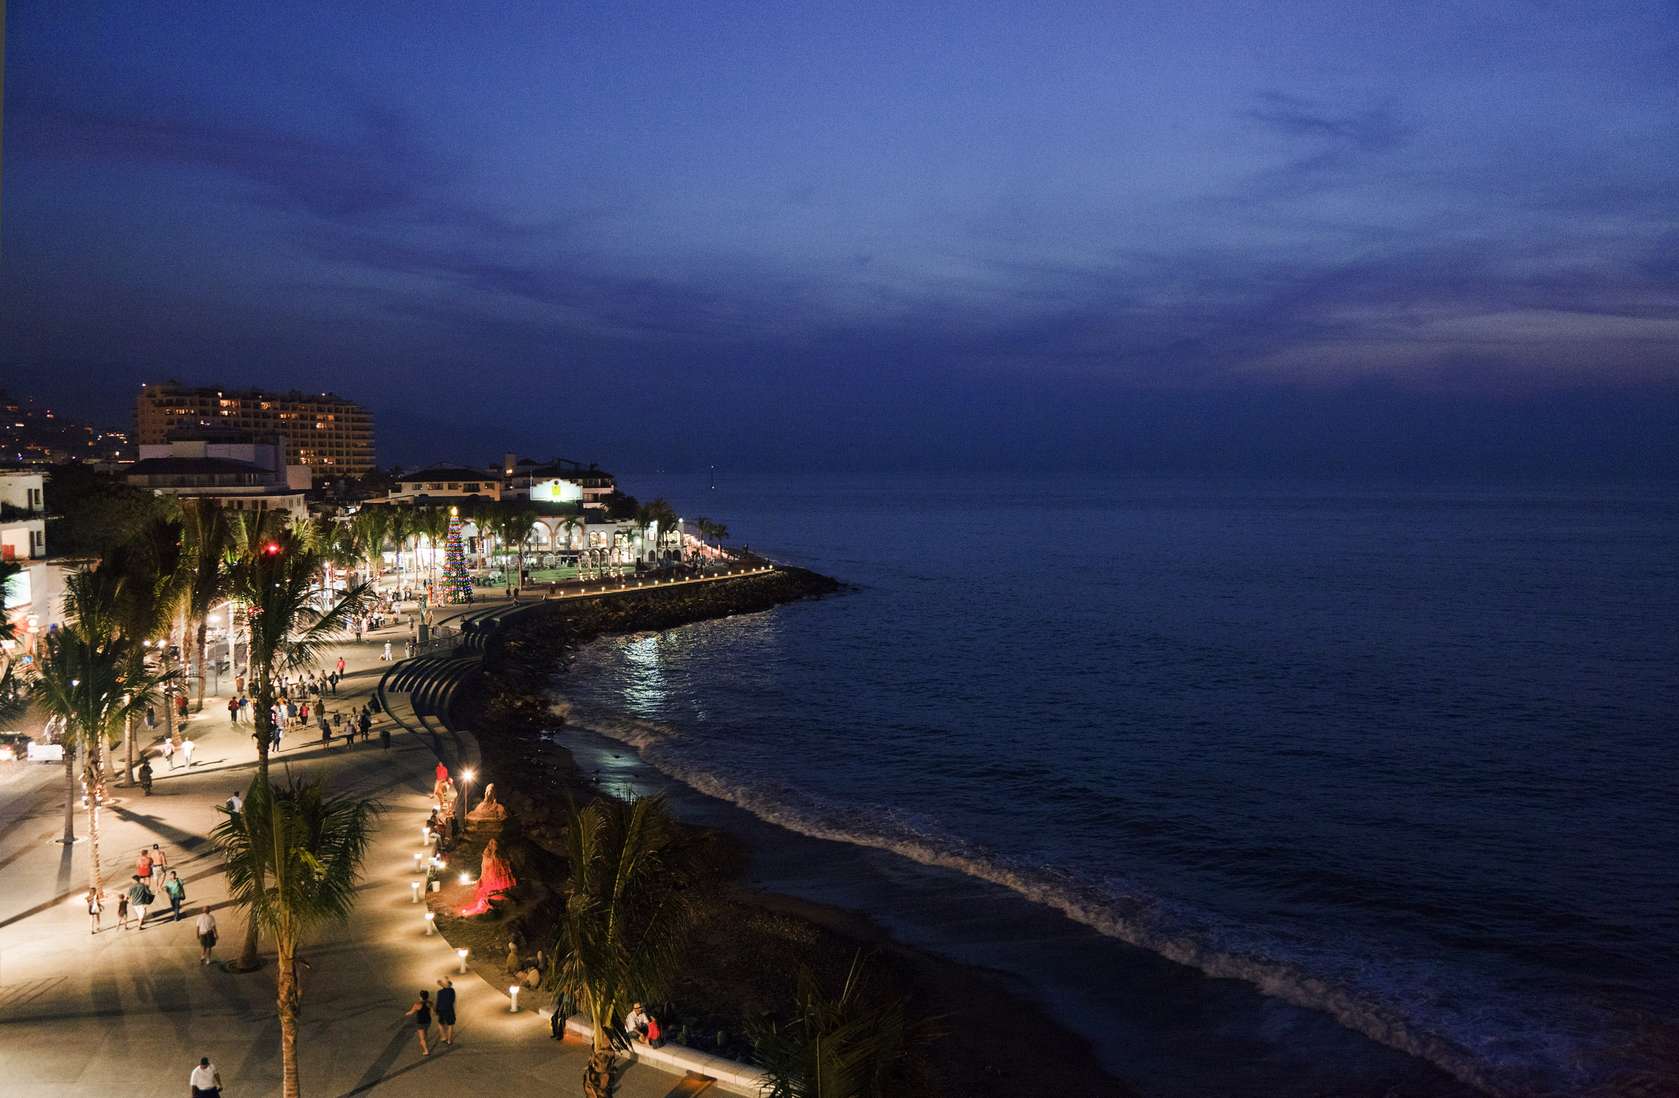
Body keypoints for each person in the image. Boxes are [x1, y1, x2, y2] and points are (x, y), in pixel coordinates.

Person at [405, 989, 433, 1056]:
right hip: (428, 1021)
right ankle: (425, 1042)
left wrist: (407, 1013)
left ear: (420, 996)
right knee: (425, 1032)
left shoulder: (417, 1004)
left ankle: (426, 1051)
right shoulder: (430, 1003)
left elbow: (411, 1012)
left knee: (422, 1038)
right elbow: (433, 1010)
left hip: (420, 1022)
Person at [435, 978, 458, 1046]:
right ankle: (449, 1040)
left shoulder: (439, 992)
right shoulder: (452, 991)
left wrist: (436, 1010)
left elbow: (438, 1002)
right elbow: (453, 1000)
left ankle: (443, 1037)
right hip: (449, 1009)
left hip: (441, 1010)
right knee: (450, 1025)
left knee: (440, 1023)